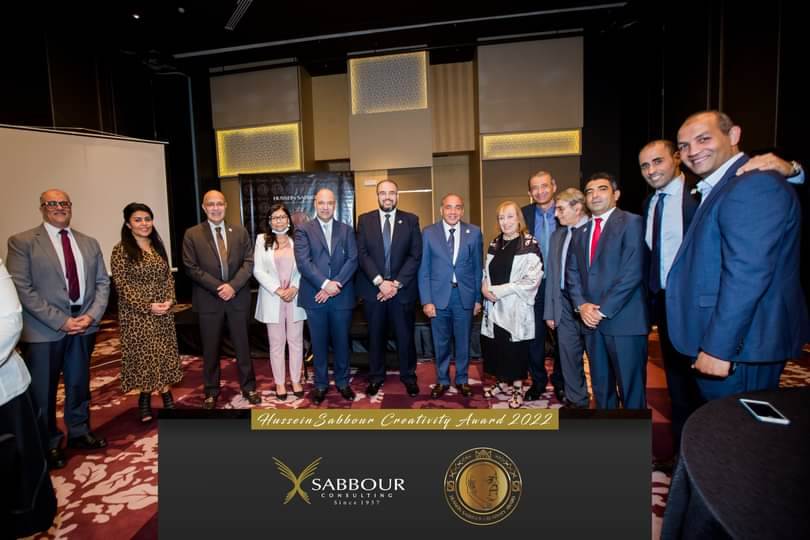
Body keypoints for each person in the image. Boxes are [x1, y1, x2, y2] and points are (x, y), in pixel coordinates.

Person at [640, 139, 806, 465]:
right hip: (672, 312)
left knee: (735, 424)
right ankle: (686, 461)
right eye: (644, 165)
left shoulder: (715, 189)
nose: (651, 170)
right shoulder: (650, 203)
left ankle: (719, 476)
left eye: (658, 161)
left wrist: (793, 170)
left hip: (721, 321)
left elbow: (747, 268)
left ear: (677, 158)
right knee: (681, 392)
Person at [666, 111, 809, 400]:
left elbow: (747, 274)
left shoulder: (753, 184)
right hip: (731, 343)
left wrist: (719, 348)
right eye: (684, 146)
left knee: (736, 426)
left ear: (733, 135)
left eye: (703, 139)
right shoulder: (726, 185)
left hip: (738, 348)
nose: (693, 151)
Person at [6, 189, 110, 470]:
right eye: (52, 203)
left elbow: (102, 283)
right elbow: (22, 288)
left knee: (78, 383)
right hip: (44, 329)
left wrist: (91, 316)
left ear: (70, 207)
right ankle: (48, 442)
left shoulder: (89, 242)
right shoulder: (22, 242)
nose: (59, 207)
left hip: (84, 326)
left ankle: (79, 431)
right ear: (42, 208)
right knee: (44, 389)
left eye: (64, 203)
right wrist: (60, 320)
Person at [566, 173, 649, 409]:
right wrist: (582, 305)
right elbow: (572, 273)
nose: (595, 195)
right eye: (589, 191)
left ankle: (634, 435)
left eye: (602, 189)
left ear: (616, 194)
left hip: (624, 322)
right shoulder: (580, 232)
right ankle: (607, 432)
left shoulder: (633, 223)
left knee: (631, 391)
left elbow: (632, 272)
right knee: (602, 390)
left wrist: (601, 310)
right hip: (591, 324)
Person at [182, 190, 259, 409]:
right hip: (209, 300)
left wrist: (232, 286)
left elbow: (249, 262)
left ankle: (249, 387)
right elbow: (190, 267)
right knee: (210, 348)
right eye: (211, 204)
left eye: (219, 204)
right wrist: (219, 287)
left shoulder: (240, 232)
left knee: (243, 346)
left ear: (226, 205)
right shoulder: (192, 234)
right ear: (204, 207)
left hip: (237, 298)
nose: (215, 208)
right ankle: (211, 390)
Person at [111, 203, 182, 422]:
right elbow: (122, 286)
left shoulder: (156, 245)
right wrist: (147, 305)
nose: (144, 224)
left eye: (147, 219)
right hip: (137, 316)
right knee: (144, 358)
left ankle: (165, 395)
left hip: (163, 312)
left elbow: (167, 277)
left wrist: (169, 300)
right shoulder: (121, 250)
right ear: (128, 224)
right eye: (138, 219)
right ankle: (146, 399)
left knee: (163, 354)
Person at [1, 258, 57, 537]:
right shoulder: (23, 243)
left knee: (17, 472)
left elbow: (9, 321)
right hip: (46, 330)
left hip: (6, 394)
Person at [356, 180, 422, 397]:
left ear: (397, 195)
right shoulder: (365, 220)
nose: (387, 197)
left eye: (391, 193)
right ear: (377, 196)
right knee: (375, 336)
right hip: (374, 291)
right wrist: (380, 281)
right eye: (383, 193)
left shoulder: (411, 220)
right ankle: (376, 377)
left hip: (401, 291)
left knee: (405, 337)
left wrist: (395, 284)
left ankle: (409, 377)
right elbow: (362, 254)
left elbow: (415, 255)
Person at [294, 188, 358, 405]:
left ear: (335, 205)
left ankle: (342, 382)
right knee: (319, 344)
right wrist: (324, 284)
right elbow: (304, 263)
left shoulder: (346, 230)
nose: (325, 207)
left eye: (329, 203)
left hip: (341, 295)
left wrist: (335, 284)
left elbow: (353, 260)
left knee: (342, 342)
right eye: (321, 203)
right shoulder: (303, 230)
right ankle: (320, 384)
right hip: (315, 296)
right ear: (315, 203)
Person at [418, 193, 483, 399]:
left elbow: (477, 269)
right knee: (441, 342)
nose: (453, 211)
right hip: (438, 298)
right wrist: (426, 300)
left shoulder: (474, 232)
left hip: (464, 296)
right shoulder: (429, 233)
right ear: (441, 209)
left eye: (457, 207)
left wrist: (477, 299)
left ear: (462, 211)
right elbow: (424, 270)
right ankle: (443, 380)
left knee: (463, 342)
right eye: (448, 207)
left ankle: (462, 379)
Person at [480, 201, 543, 408]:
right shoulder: (495, 243)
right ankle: (502, 382)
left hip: (516, 307)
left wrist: (499, 291)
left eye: (510, 217)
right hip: (495, 307)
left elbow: (532, 280)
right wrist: (484, 286)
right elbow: (487, 271)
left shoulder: (529, 243)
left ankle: (517, 388)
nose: (505, 222)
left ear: (518, 219)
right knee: (498, 347)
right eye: (501, 218)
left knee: (515, 350)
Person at [543, 188, 591, 408]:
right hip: (563, 303)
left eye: (561, 209)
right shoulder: (558, 236)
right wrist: (550, 311)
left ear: (578, 208)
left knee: (598, 361)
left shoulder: (595, 231)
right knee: (568, 357)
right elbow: (552, 276)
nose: (556, 214)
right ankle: (576, 402)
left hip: (591, 306)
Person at [254, 204, 307, 400]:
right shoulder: (261, 240)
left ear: (288, 220)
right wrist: (278, 290)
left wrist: (294, 287)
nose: (279, 220)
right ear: (269, 221)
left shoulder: (298, 239)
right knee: (276, 343)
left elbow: (304, 266)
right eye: (275, 217)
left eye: (282, 217)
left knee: (296, 341)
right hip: (273, 297)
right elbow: (258, 270)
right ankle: (279, 382)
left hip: (294, 297)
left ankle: (295, 379)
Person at [521, 171, 565, 402]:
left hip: (562, 284)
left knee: (563, 337)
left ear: (554, 186)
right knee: (534, 337)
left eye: (544, 186)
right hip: (534, 285)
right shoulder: (524, 214)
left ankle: (560, 381)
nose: (540, 191)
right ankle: (537, 381)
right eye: (535, 188)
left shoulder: (566, 210)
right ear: (530, 192)